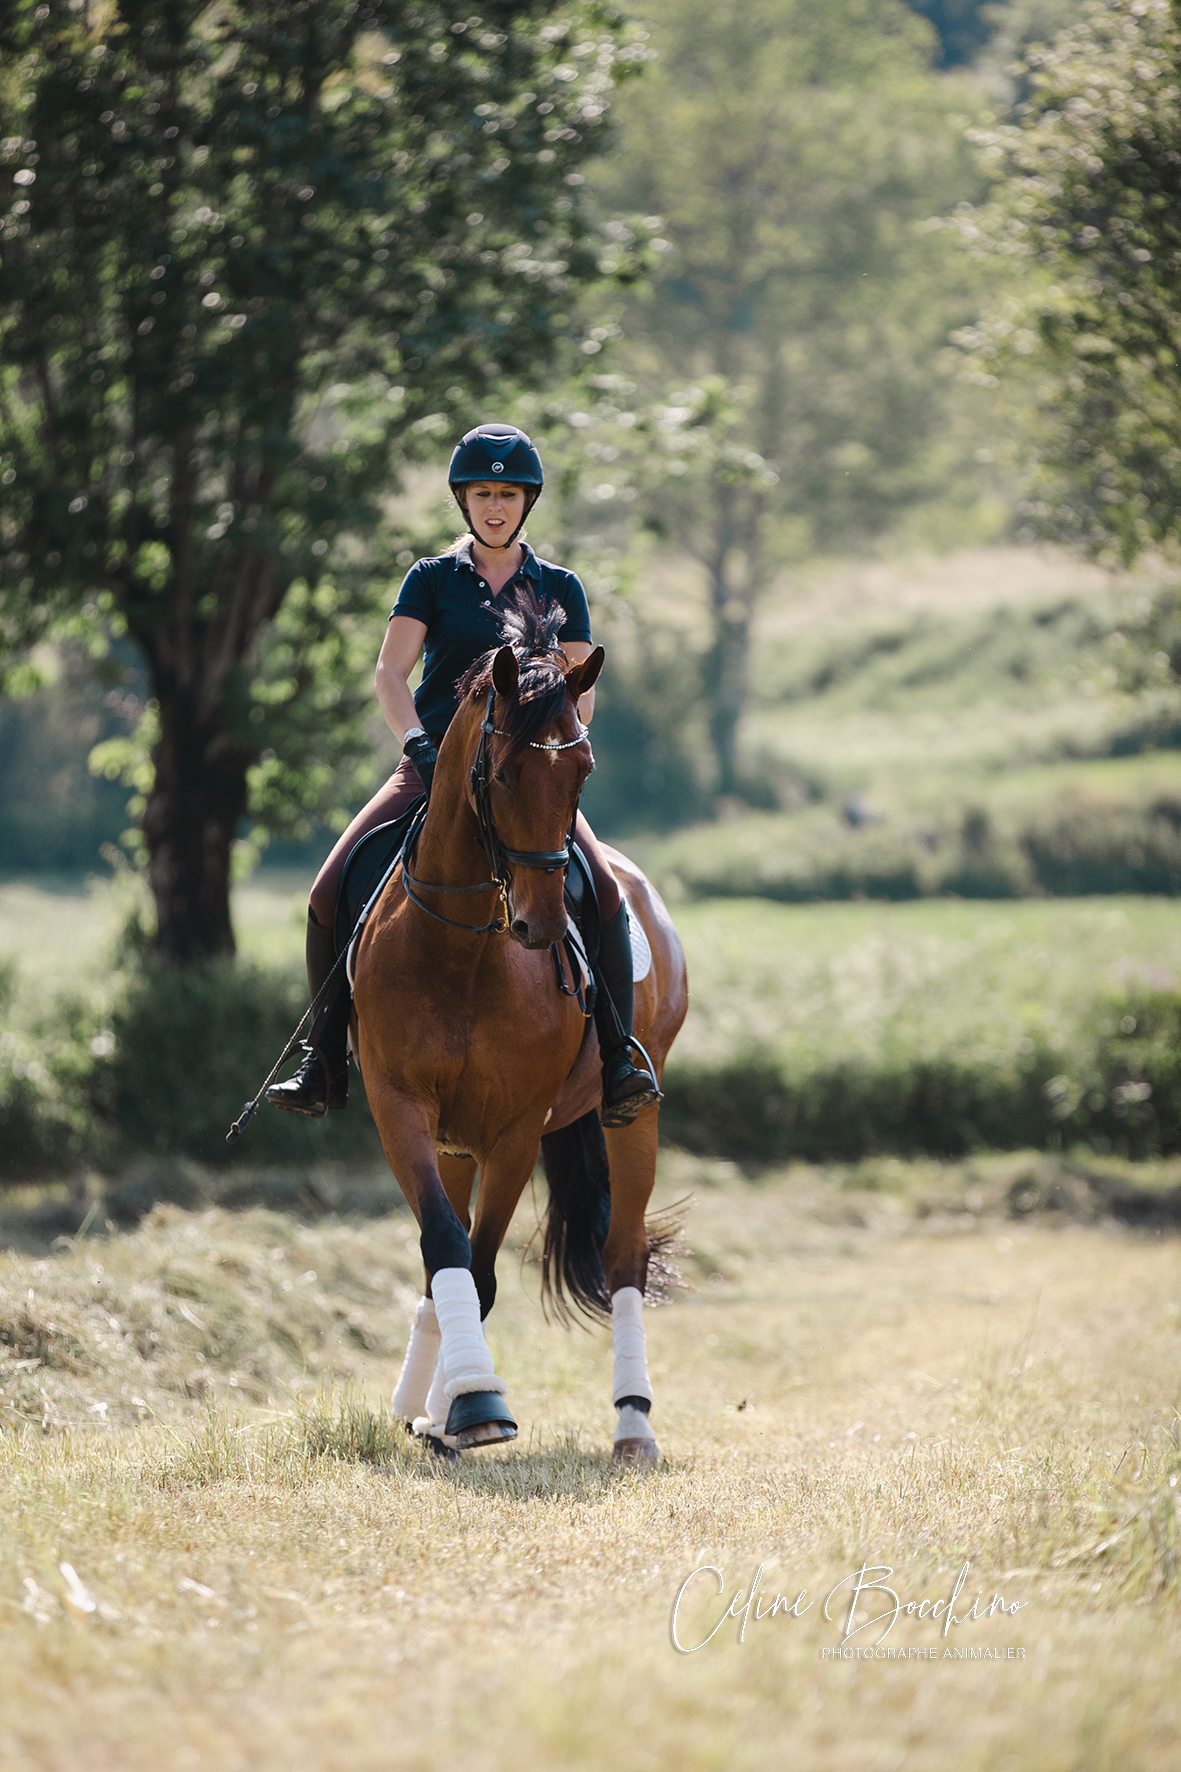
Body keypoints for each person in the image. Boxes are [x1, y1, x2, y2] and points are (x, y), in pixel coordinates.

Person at [266, 421, 660, 1128]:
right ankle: (322, 1059)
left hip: (523, 773)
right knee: (328, 889)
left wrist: (545, 704)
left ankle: (619, 1056)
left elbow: (583, 695)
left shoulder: (560, 585)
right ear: (463, 501)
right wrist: (418, 743)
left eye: (508, 493)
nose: (495, 506)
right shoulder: (431, 580)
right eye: (482, 493)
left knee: (603, 893)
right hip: (433, 769)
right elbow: (390, 672)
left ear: (527, 501)